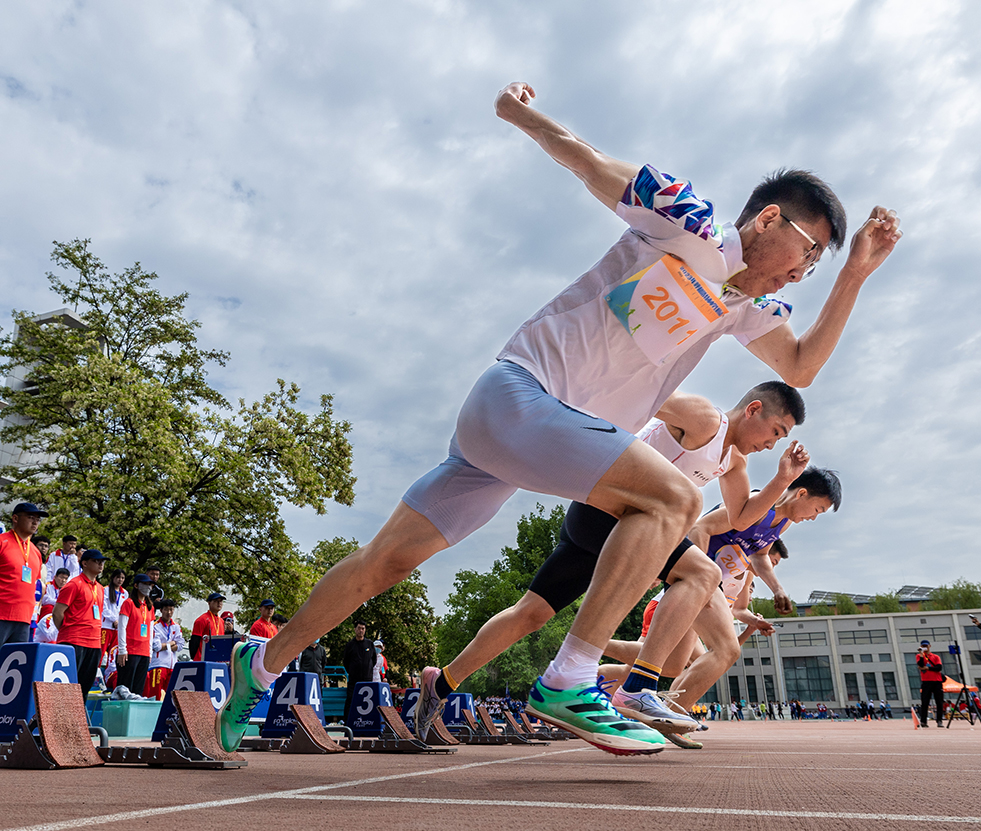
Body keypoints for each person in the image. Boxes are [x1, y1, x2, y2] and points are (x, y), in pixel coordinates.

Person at [215, 80, 902, 755]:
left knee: (381, 564)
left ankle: (263, 664)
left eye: (818, 268)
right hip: (517, 392)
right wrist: (519, 113)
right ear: (771, 219)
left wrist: (853, 277)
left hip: (525, 439)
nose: (803, 273)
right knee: (670, 493)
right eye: (812, 254)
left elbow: (803, 364)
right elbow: (584, 158)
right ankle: (570, 678)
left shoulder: (752, 308)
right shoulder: (686, 217)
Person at [415, 382, 808, 741]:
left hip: (622, 526)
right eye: (775, 432)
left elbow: (740, 517)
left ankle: (442, 682)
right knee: (703, 573)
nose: (772, 445)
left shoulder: (734, 462)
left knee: (530, 613)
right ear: (754, 409)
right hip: (608, 511)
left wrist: (781, 481)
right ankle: (639, 687)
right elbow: (637, 394)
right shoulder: (705, 419)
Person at [626, 467, 842, 747]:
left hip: (703, 582)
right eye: (817, 509)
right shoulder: (758, 503)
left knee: (673, 664)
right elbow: (700, 528)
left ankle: (644, 697)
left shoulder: (782, 522)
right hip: (697, 577)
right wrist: (699, 577)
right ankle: (668, 714)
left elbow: (760, 555)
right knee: (727, 649)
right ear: (802, 493)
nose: (813, 517)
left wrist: (778, 589)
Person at [53, 549, 108, 702]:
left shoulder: (100, 588)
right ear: (84, 563)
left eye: (102, 561)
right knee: (67, 686)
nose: (101, 564)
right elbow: (57, 613)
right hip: (74, 641)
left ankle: (77, 721)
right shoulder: (73, 584)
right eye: (97, 561)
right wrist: (67, 632)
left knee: (84, 688)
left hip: (94, 643)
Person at [1, 503, 50, 646]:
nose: (35, 522)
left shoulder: (35, 552)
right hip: (2, 613)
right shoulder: (2, 542)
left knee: (14, 666)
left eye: (38, 519)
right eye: (30, 517)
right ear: (15, 518)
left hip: (24, 618)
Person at [116, 574, 156, 696]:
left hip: (143, 652)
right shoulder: (128, 603)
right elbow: (122, 627)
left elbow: (150, 630)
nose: (148, 587)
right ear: (136, 585)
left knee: (138, 690)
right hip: (130, 651)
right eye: (145, 584)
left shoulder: (150, 607)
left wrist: (149, 652)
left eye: (150, 585)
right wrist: (122, 650)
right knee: (125, 689)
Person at [147, 598, 186, 699]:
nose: (169, 612)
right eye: (166, 610)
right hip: (158, 665)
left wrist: (166, 645)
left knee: (170, 696)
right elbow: (156, 646)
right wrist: (172, 643)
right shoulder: (155, 626)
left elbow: (181, 644)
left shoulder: (176, 626)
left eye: (171, 610)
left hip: (172, 665)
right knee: (156, 695)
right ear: (161, 610)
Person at [342, 621, 376, 723]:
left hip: (367, 679)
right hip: (354, 680)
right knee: (350, 700)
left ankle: (368, 723)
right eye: (359, 628)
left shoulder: (369, 644)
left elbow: (373, 660)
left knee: (368, 703)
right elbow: (345, 661)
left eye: (363, 629)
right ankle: (347, 723)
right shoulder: (350, 645)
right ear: (355, 629)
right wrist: (352, 671)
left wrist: (368, 669)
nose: (361, 631)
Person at [915, 640, 944, 728]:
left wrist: (927, 668)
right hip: (926, 681)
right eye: (923, 646)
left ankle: (939, 720)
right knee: (925, 702)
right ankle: (923, 721)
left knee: (939, 702)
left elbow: (939, 668)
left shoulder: (935, 656)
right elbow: (920, 664)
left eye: (926, 646)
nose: (925, 648)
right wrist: (921, 654)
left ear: (929, 646)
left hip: (937, 681)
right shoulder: (919, 656)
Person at [189, 592, 226, 660]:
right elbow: (194, 641)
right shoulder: (202, 620)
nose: (219, 603)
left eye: (220, 601)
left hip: (216, 659)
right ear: (209, 603)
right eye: (215, 601)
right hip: (202, 659)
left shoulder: (221, 621)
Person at [100, 569, 128, 656]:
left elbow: (124, 610)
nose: (120, 580)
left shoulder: (125, 593)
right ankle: (96, 668)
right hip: (106, 626)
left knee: (114, 652)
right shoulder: (105, 590)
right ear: (113, 577)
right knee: (101, 650)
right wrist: (114, 620)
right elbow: (103, 608)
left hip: (118, 628)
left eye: (123, 578)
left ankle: (112, 670)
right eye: (118, 577)